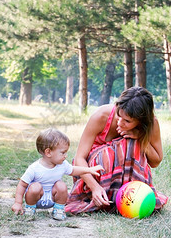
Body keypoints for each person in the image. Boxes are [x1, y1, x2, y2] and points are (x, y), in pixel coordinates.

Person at [65, 86, 168, 214]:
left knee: (131, 143)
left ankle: (129, 197)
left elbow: (155, 162)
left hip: (127, 177)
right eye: (119, 115)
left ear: (140, 121)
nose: (120, 122)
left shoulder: (151, 123)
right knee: (117, 148)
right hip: (94, 173)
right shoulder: (101, 116)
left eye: (127, 121)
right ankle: (103, 197)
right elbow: (79, 159)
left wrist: (141, 138)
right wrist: (95, 187)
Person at [11, 128, 104, 220]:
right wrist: (18, 203)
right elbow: (22, 185)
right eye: (63, 152)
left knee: (61, 185)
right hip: (37, 198)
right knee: (35, 186)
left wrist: (89, 170)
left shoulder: (62, 165)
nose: (65, 156)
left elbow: (73, 170)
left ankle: (58, 210)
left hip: (52, 197)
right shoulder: (34, 168)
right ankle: (30, 209)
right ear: (48, 152)